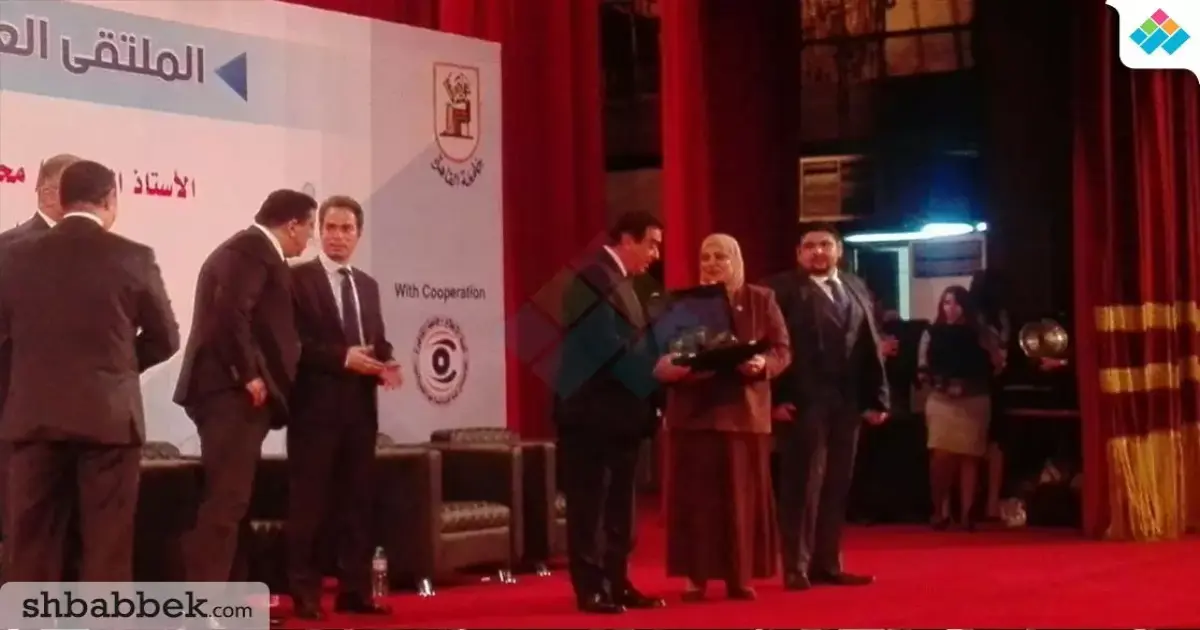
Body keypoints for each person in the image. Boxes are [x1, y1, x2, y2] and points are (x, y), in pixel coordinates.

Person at [0, 159, 179, 581]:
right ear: (110, 199)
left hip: (33, 420)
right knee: (106, 548)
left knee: (32, 547)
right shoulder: (134, 257)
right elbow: (166, 338)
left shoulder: (12, 257)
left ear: (60, 200)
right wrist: (116, 369)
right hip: (109, 422)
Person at [175, 188, 316, 583]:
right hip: (230, 396)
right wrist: (248, 374)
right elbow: (229, 313)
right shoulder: (250, 251)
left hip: (235, 396)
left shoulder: (253, 251)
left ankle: (228, 598)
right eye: (310, 228)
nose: (310, 239)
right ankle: (202, 604)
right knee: (226, 502)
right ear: (293, 225)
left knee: (235, 502)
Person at [655, 234, 790, 601]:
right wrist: (680, 364)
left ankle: (740, 576)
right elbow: (665, 350)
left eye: (720, 257)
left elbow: (782, 349)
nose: (712, 264)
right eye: (705, 257)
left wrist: (762, 363)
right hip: (693, 412)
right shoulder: (682, 303)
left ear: (736, 260)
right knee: (695, 500)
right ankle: (695, 577)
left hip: (743, 413)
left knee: (741, 499)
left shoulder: (761, 299)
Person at [286, 196, 400, 620]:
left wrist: (387, 361)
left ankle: (355, 590)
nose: (337, 236)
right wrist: (341, 358)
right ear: (319, 231)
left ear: (358, 234)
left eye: (346, 229)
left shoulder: (367, 285)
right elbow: (291, 345)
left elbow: (376, 339)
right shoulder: (296, 279)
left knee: (356, 503)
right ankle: (305, 593)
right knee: (309, 506)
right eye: (330, 228)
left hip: (359, 411)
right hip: (313, 412)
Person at [764, 222, 889, 590]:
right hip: (802, 401)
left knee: (837, 483)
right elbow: (771, 347)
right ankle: (796, 566)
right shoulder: (779, 290)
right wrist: (775, 398)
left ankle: (828, 563)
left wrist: (877, 397)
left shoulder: (855, 286)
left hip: (847, 401)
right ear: (798, 253)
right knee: (801, 485)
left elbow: (870, 344)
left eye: (825, 245)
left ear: (838, 250)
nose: (818, 252)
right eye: (810, 246)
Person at [554, 210, 666, 614]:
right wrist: (657, 369)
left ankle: (617, 582)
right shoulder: (591, 277)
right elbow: (603, 345)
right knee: (590, 506)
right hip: (590, 415)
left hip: (622, 417)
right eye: (651, 244)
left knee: (620, 506)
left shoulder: (626, 283)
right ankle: (591, 589)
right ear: (627, 240)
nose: (655, 254)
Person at [0, 153, 80, 574]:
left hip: (81, 416)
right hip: (21, 413)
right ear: (49, 193)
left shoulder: (98, 252)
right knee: (24, 524)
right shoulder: (10, 249)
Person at [919, 285, 1000, 531]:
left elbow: (996, 365)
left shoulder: (982, 333)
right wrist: (940, 383)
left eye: (955, 303)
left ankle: (967, 514)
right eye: (946, 303)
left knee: (969, 457)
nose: (951, 308)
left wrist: (970, 382)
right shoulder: (931, 333)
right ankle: (939, 510)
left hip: (974, 398)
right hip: (942, 400)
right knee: (941, 456)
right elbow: (922, 366)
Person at [968, 269, 1012, 520]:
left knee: (992, 443)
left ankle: (990, 501)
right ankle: (978, 501)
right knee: (980, 444)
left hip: (994, 382)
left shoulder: (1001, 316)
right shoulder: (975, 320)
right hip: (981, 381)